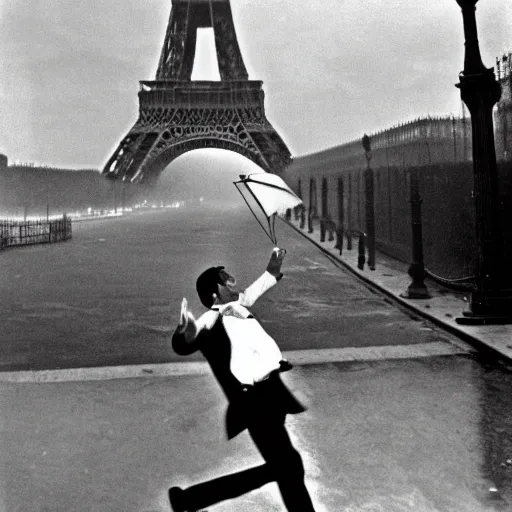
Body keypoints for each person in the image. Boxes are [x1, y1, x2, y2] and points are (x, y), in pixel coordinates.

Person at [168, 248, 316, 512]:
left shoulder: (237, 304)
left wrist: (273, 266)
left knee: (286, 468)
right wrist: (185, 332)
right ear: (215, 293)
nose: (230, 283)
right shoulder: (208, 321)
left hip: (271, 396)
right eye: (224, 282)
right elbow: (183, 344)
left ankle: (190, 500)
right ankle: (190, 499)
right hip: (253, 403)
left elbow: (258, 286)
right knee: (288, 467)